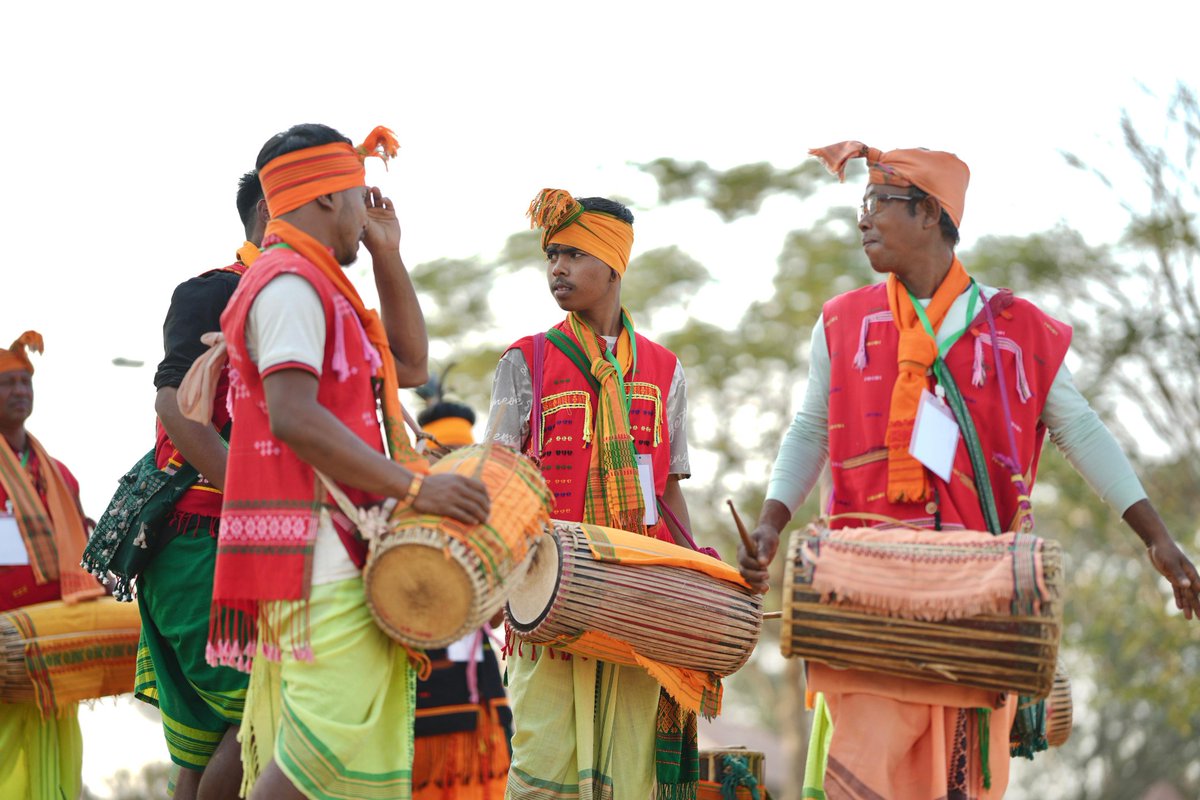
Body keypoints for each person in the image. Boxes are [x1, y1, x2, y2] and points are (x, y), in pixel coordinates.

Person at [737, 141, 1200, 799]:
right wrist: (770, 524)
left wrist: (1159, 539)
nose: (863, 220)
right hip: (867, 599)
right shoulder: (842, 323)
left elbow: (1083, 432)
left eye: (877, 204)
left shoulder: (1020, 332)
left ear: (929, 214)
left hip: (975, 605)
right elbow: (810, 429)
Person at [208, 123, 490, 800]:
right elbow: (293, 416)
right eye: (360, 197)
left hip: (337, 551)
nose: (369, 212)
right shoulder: (288, 285)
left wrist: (388, 255)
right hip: (320, 557)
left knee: (355, 767)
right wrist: (415, 486)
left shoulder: (322, 286)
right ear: (329, 198)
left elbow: (413, 365)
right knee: (323, 760)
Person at [485, 189, 698, 799]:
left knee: (632, 770)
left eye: (574, 255)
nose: (557, 269)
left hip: (639, 595)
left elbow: (670, 490)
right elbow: (497, 480)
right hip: (547, 598)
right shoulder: (524, 361)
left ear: (614, 264)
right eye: (552, 255)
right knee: (542, 766)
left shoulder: (665, 369)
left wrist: (699, 571)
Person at [134, 169, 268, 800]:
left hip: (229, 540)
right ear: (275, 210)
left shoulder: (301, 298)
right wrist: (259, 505)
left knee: (210, 741)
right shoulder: (214, 291)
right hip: (205, 538)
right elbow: (173, 407)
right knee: (260, 718)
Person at [0, 332, 103, 800]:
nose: (20, 390)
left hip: (53, 651)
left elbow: (82, 544)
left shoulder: (60, 476)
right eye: (8, 383)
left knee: (60, 762)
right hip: (4, 646)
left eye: (25, 382)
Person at [412, 396, 513, 800]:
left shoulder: (482, 521)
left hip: (477, 688)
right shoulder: (406, 513)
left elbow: (492, 620)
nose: (456, 464)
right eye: (446, 454)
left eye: (463, 455)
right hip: (422, 680)